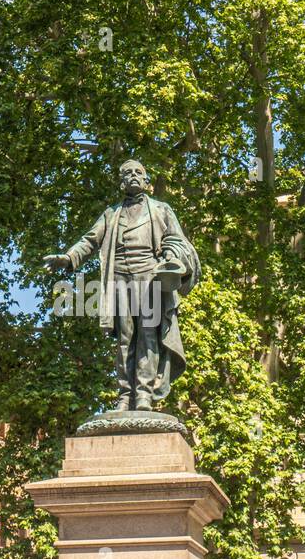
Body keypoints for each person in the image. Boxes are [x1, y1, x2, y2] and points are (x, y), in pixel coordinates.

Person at [43, 158, 200, 411]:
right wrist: (68, 258)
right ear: (121, 181)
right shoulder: (111, 214)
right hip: (120, 281)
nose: (134, 175)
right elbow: (89, 241)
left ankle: (145, 396)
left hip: (149, 280)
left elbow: (177, 241)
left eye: (139, 172)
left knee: (148, 338)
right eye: (128, 173)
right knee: (126, 339)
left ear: (147, 181)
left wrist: (172, 256)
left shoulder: (161, 210)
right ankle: (125, 396)